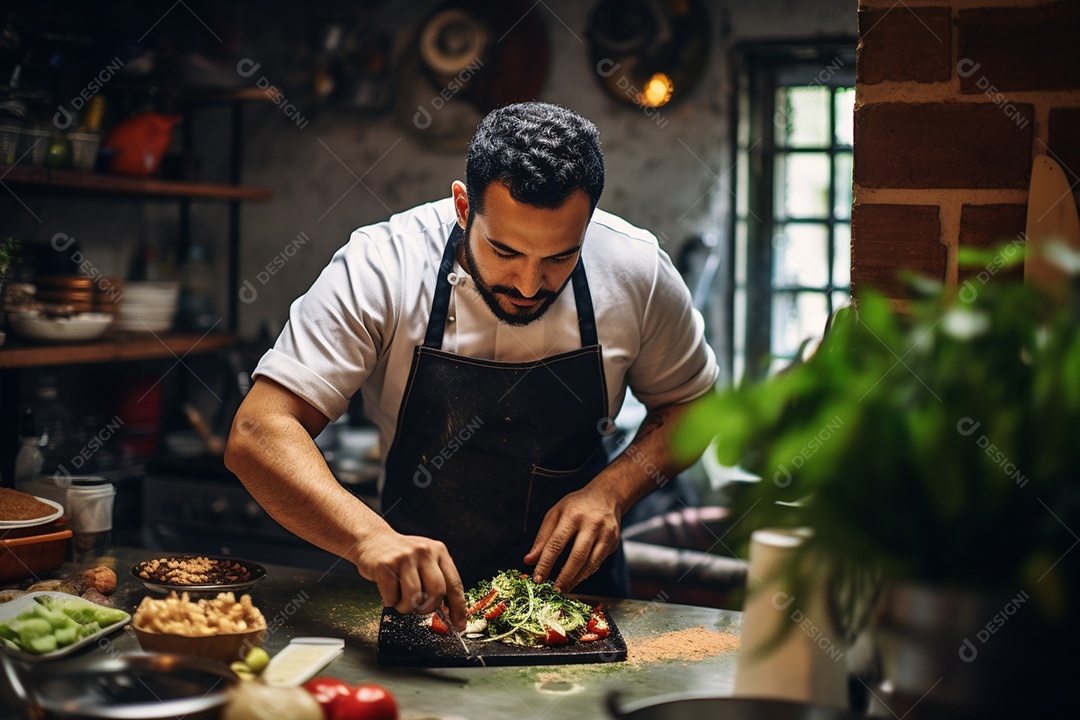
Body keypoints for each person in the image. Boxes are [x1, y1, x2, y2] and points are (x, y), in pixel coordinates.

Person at [225, 102, 718, 631]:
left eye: (559, 257)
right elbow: (258, 432)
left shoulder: (635, 270)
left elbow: (695, 406)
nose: (529, 286)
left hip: (580, 610)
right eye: (504, 251)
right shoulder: (383, 266)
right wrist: (370, 538)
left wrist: (612, 492)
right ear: (463, 206)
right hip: (422, 606)